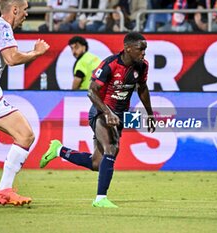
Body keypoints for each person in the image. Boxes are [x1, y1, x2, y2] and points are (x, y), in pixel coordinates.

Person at [40, 32, 156, 208]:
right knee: (112, 147)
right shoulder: (110, 65)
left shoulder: (142, 66)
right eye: (141, 49)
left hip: (120, 115)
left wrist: (150, 114)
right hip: (100, 112)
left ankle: (59, 150)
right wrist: (107, 112)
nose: (144, 53)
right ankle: (101, 198)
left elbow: (143, 88)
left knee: (97, 163)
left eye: (145, 50)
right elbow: (91, 91)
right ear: (128, 48)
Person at [0, 0, 50, 206]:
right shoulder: (1, 26)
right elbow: (11, 59)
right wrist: (37, 52)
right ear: (15, 9)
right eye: (26, 10)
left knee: (25, 135)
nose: (27, 14)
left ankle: (4, 191)